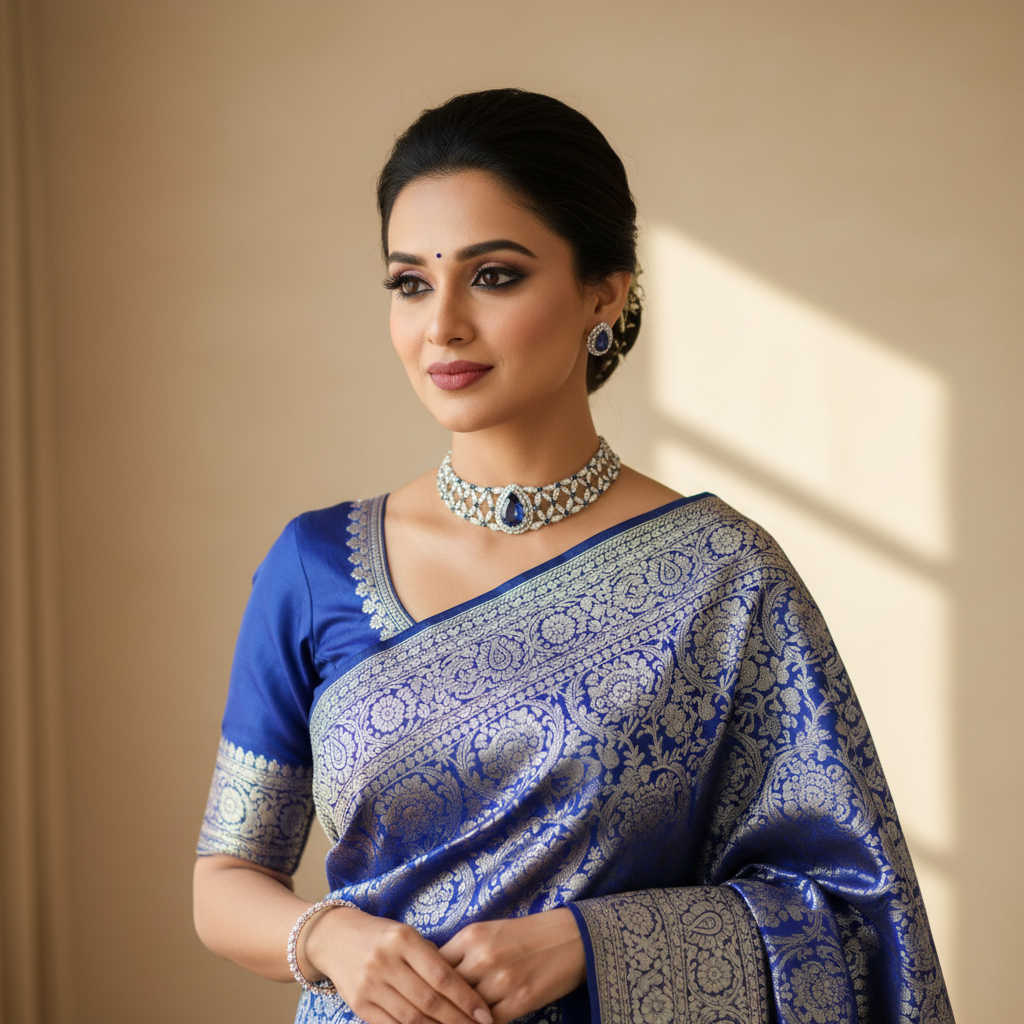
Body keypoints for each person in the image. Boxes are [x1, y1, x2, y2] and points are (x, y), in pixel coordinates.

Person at [193, 88, 954, 1024]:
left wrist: (590, 944)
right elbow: (224, 880)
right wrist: (331, 939)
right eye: (410, 283)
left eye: (494, 276)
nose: (442, 325)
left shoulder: (722, 577)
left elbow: (852, 920)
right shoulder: (315, 566)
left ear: (605, 293)